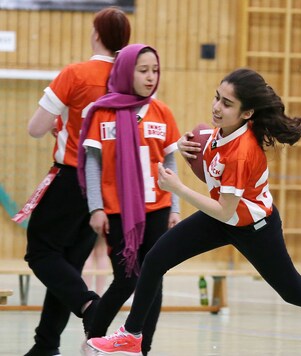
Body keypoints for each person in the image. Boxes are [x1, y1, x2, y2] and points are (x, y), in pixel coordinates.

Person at [86, 68, 301, 355]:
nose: (217, 107)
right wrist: (189, 151)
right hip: (225, 217)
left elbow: (223, 208)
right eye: (217, 98)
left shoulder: (243, 151)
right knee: (155, 259)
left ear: (247, 113)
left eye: (227, 104)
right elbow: (216, 184)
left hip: (255, 227)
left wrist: (178, 188)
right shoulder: (220, 133)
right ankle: (132, 335)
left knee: (295, 291)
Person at [23, 7, 130, 356]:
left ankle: (89, 304)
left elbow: (36, 129)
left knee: (40, 251)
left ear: (96, 34)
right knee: (66, 265)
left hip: (73, 176)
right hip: (110, 186)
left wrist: (61, 124)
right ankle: (45, 345)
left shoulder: (76, 73)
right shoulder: (129, 80)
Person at [78, 44, 182, 355]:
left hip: (158, 208)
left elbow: (170, 161)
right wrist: (96, 207)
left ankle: (142, 347)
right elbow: (93, 165)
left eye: (155, 70)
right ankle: (94, 336)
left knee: (155, 278)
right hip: (118, 211)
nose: (151, 77)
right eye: (143, 70)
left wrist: (174, 207)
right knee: (126, 279)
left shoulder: (162, 111)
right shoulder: (103, 112)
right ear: (126, 72)